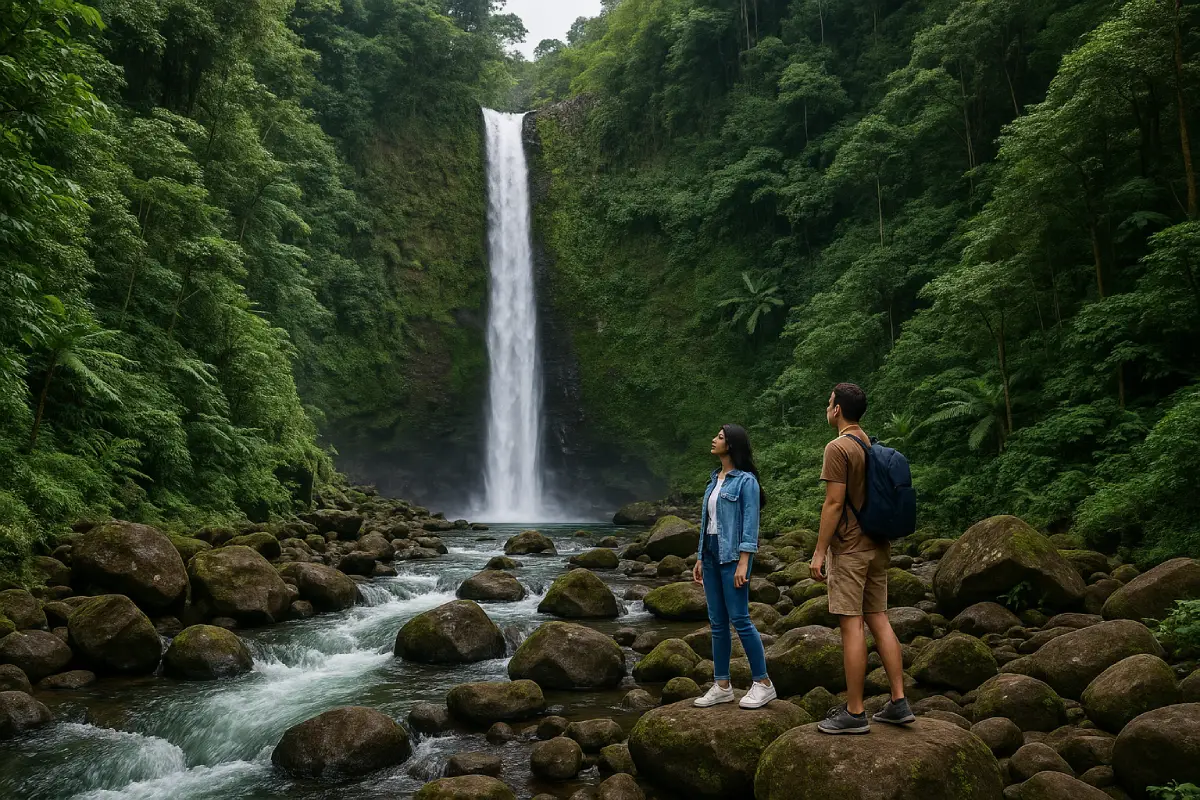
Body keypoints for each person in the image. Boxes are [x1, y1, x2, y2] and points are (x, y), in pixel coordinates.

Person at [809, 383, 913, 734]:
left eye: (829, 402)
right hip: (878, 544)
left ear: (837, 409)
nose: (827, 408)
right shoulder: (870, 443)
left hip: (851, 548)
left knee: (851, 625)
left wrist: (820, 551)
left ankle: (855, 712)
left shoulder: (838, 447)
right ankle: (899, 702)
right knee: (879, 619)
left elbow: (834, 503)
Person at [691, 424, 777, 710]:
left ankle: (763, 683)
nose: (713, 440)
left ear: (731, 445)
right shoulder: (713, 479)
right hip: (712, 554)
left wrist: (744, 561)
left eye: (719, 437)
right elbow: (708, 523)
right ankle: (722, 684)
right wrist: (701, 557)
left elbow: (750, 524)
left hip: (732, 556)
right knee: (717, 622)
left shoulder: (746, 481)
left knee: (740, 618)